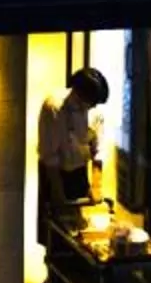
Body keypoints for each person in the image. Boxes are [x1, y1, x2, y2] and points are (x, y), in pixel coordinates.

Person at [37, 67, 111, 229]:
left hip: (79, 173)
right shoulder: (54, 107)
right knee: (57, 230)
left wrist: (97, 185)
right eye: (91, 102)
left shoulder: (94, 112)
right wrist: (58, 195)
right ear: (78, 93)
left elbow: (98, 150)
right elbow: (50, 157)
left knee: (81, 227)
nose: (93, 107)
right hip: (54, 175)